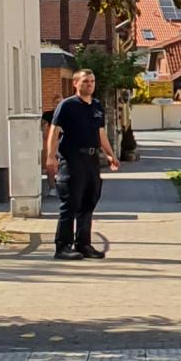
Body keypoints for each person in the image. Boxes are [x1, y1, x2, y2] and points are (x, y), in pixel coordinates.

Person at [45, 68, 118, 261]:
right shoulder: (67, 106)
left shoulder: (96, 106)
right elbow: (54, 131)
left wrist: (110, 155)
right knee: (71, 203)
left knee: (88, 202)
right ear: (76, 83)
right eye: (85, 81)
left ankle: (83, 244)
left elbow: (100, 133)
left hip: (91, 160)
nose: (89, 85)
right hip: (72, 159)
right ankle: (62, 246)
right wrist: (50, 157)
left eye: (92, 81)